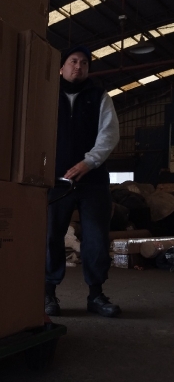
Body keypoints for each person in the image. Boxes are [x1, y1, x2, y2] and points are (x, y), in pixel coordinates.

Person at [45, 46, 121, 318]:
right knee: (50, 237)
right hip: (55, 180)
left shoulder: (99, 96)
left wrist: (89, 162)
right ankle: (48, 294)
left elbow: (109, 134)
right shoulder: (47, 94)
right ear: (62, 67)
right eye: (73, 61)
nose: (79, 66)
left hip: (93, 181)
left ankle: (96, 295)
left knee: (96, 238)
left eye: (84, 63)